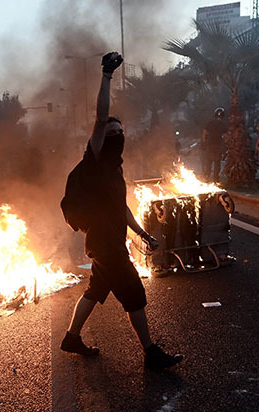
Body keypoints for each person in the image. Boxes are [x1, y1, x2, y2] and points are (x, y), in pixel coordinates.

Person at [60, 52, 184, 370]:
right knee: (134, 294)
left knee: (96, 289)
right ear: (100, 142)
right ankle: (151, 353)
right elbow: (101, 120)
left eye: (120, 133)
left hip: (110, 242)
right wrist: (106, 75)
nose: (116, 137)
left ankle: (72, 337)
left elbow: (122, 208)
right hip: (105, 244)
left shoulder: (115, 170)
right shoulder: (96, 162)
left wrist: (141, 233)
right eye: (110, 134)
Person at [201, 108, 228, 182]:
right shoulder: (223, 124)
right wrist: (226, 145)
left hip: (209, 145)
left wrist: (204, 142)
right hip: (218, 146)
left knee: (208, 162)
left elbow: (204, 132)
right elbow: (225, 136)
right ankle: (215, 179)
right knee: (217, 163)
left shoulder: (210, 123)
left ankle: (207, 177)